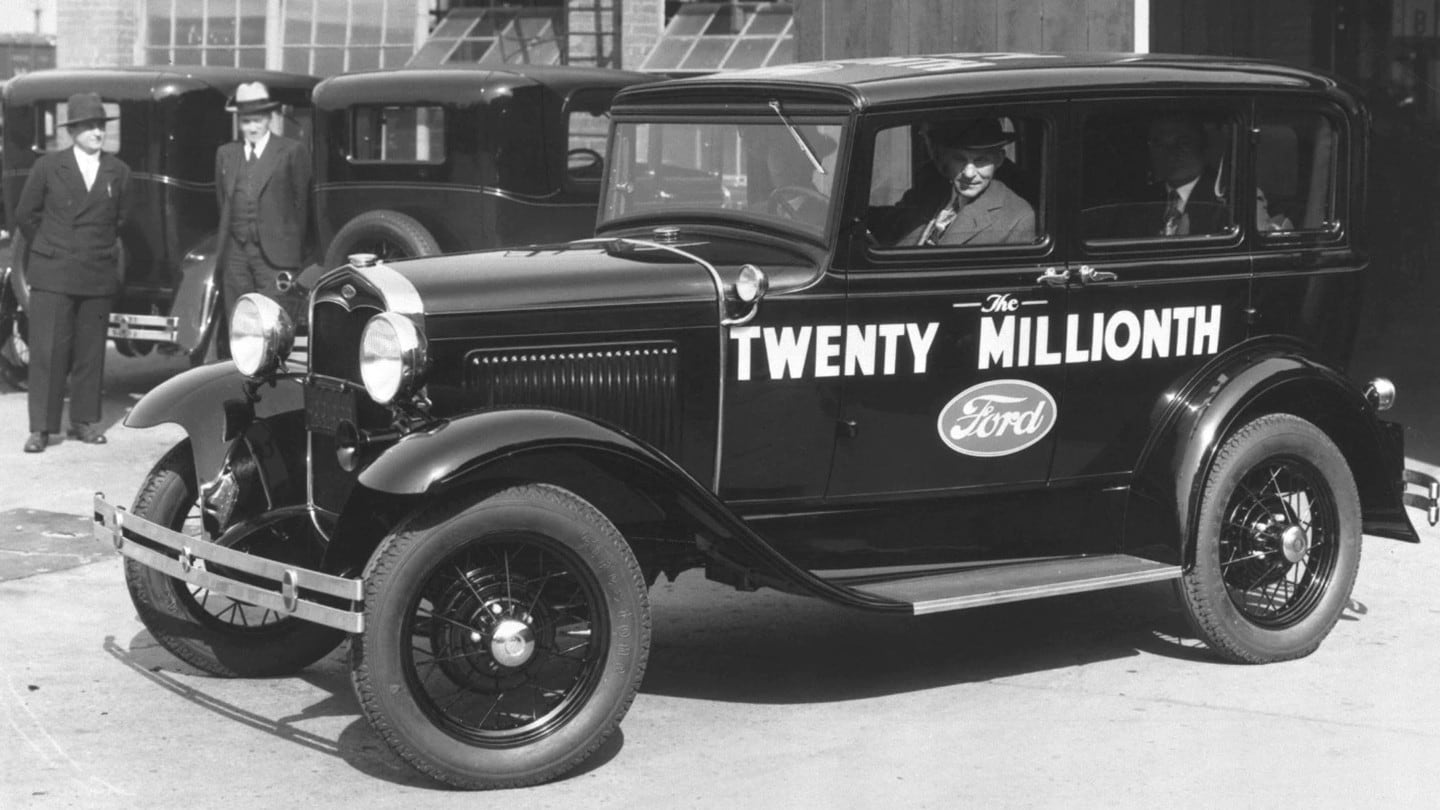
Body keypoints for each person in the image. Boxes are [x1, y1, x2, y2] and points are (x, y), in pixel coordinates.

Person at [14, 92, 131, 453]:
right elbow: (25, 216)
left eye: (101, 125)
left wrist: (90, 249)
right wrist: (52, 246)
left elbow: (121, 221)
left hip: (96, 272)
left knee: (90, 352)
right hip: (54, 272)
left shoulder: (119, 171)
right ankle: (42, 429)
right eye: (90, 126)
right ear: (73, 131)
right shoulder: (48, 167)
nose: (97, 132)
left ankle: (83, 421)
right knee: (48, 352)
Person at [215, 81, 311, 351]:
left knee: (273, 325)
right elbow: (223, 202)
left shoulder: (291, 151)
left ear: (270, 119)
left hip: (276, 256)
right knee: (240, 323)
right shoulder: (226, 154)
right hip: (236, 254)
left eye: (257, 121)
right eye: (246, 122)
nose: (252, 127)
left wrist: (296, 255)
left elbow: (302, 206)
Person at [901, 118, 1035, 246]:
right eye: (959, 159)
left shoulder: (1017, 217)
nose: (969, 173)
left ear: (999, 160)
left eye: (981, 160)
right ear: (945, 159)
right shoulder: (931, 187)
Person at [1144, 114, 1227, 236]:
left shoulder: (1230, 198)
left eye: (1182, 142)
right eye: (1159, 143)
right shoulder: (1142, 200)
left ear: (1202, 145)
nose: (1170, 152)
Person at [758, 127, 834, 228]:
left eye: (790, 152)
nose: (779, 164)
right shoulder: (756, 214)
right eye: (775, 153)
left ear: (810, 163)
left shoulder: (826, 218)